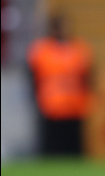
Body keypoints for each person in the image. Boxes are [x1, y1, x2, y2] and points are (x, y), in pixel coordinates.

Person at [27, 15, 94, 155]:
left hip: (74, 105)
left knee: (74, 149)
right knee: (52, 149)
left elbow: (88, 77)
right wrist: (35, 99)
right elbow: (33, 77)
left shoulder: (80, 49)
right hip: (51, 106)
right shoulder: (41, 50)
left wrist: (89, 98)